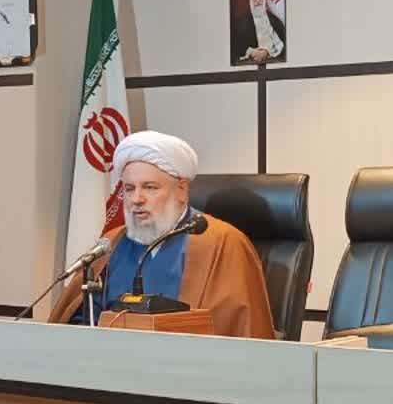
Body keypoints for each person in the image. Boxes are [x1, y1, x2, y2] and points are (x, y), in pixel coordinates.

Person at [50, 130, 276, 339]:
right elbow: (80, 319)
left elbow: (238, 332)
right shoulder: (112, 242)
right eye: (129, 188)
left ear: (182, 190)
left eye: (150, 187)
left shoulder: (223, 243)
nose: (137, 199)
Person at [231, 0, 285, 65]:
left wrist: (267, 52)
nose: (258, 0)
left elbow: (284, 47)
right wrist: (251, 52)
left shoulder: (276, 22)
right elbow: (233, 50)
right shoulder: (238, 24)